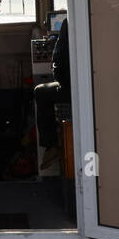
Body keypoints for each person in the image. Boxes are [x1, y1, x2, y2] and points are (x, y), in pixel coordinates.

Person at [34, 19, 71, 170]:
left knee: (41, 92)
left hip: (72, 88)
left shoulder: (68, 22)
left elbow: (58, 60)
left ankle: (51, 145)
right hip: (84, 85)